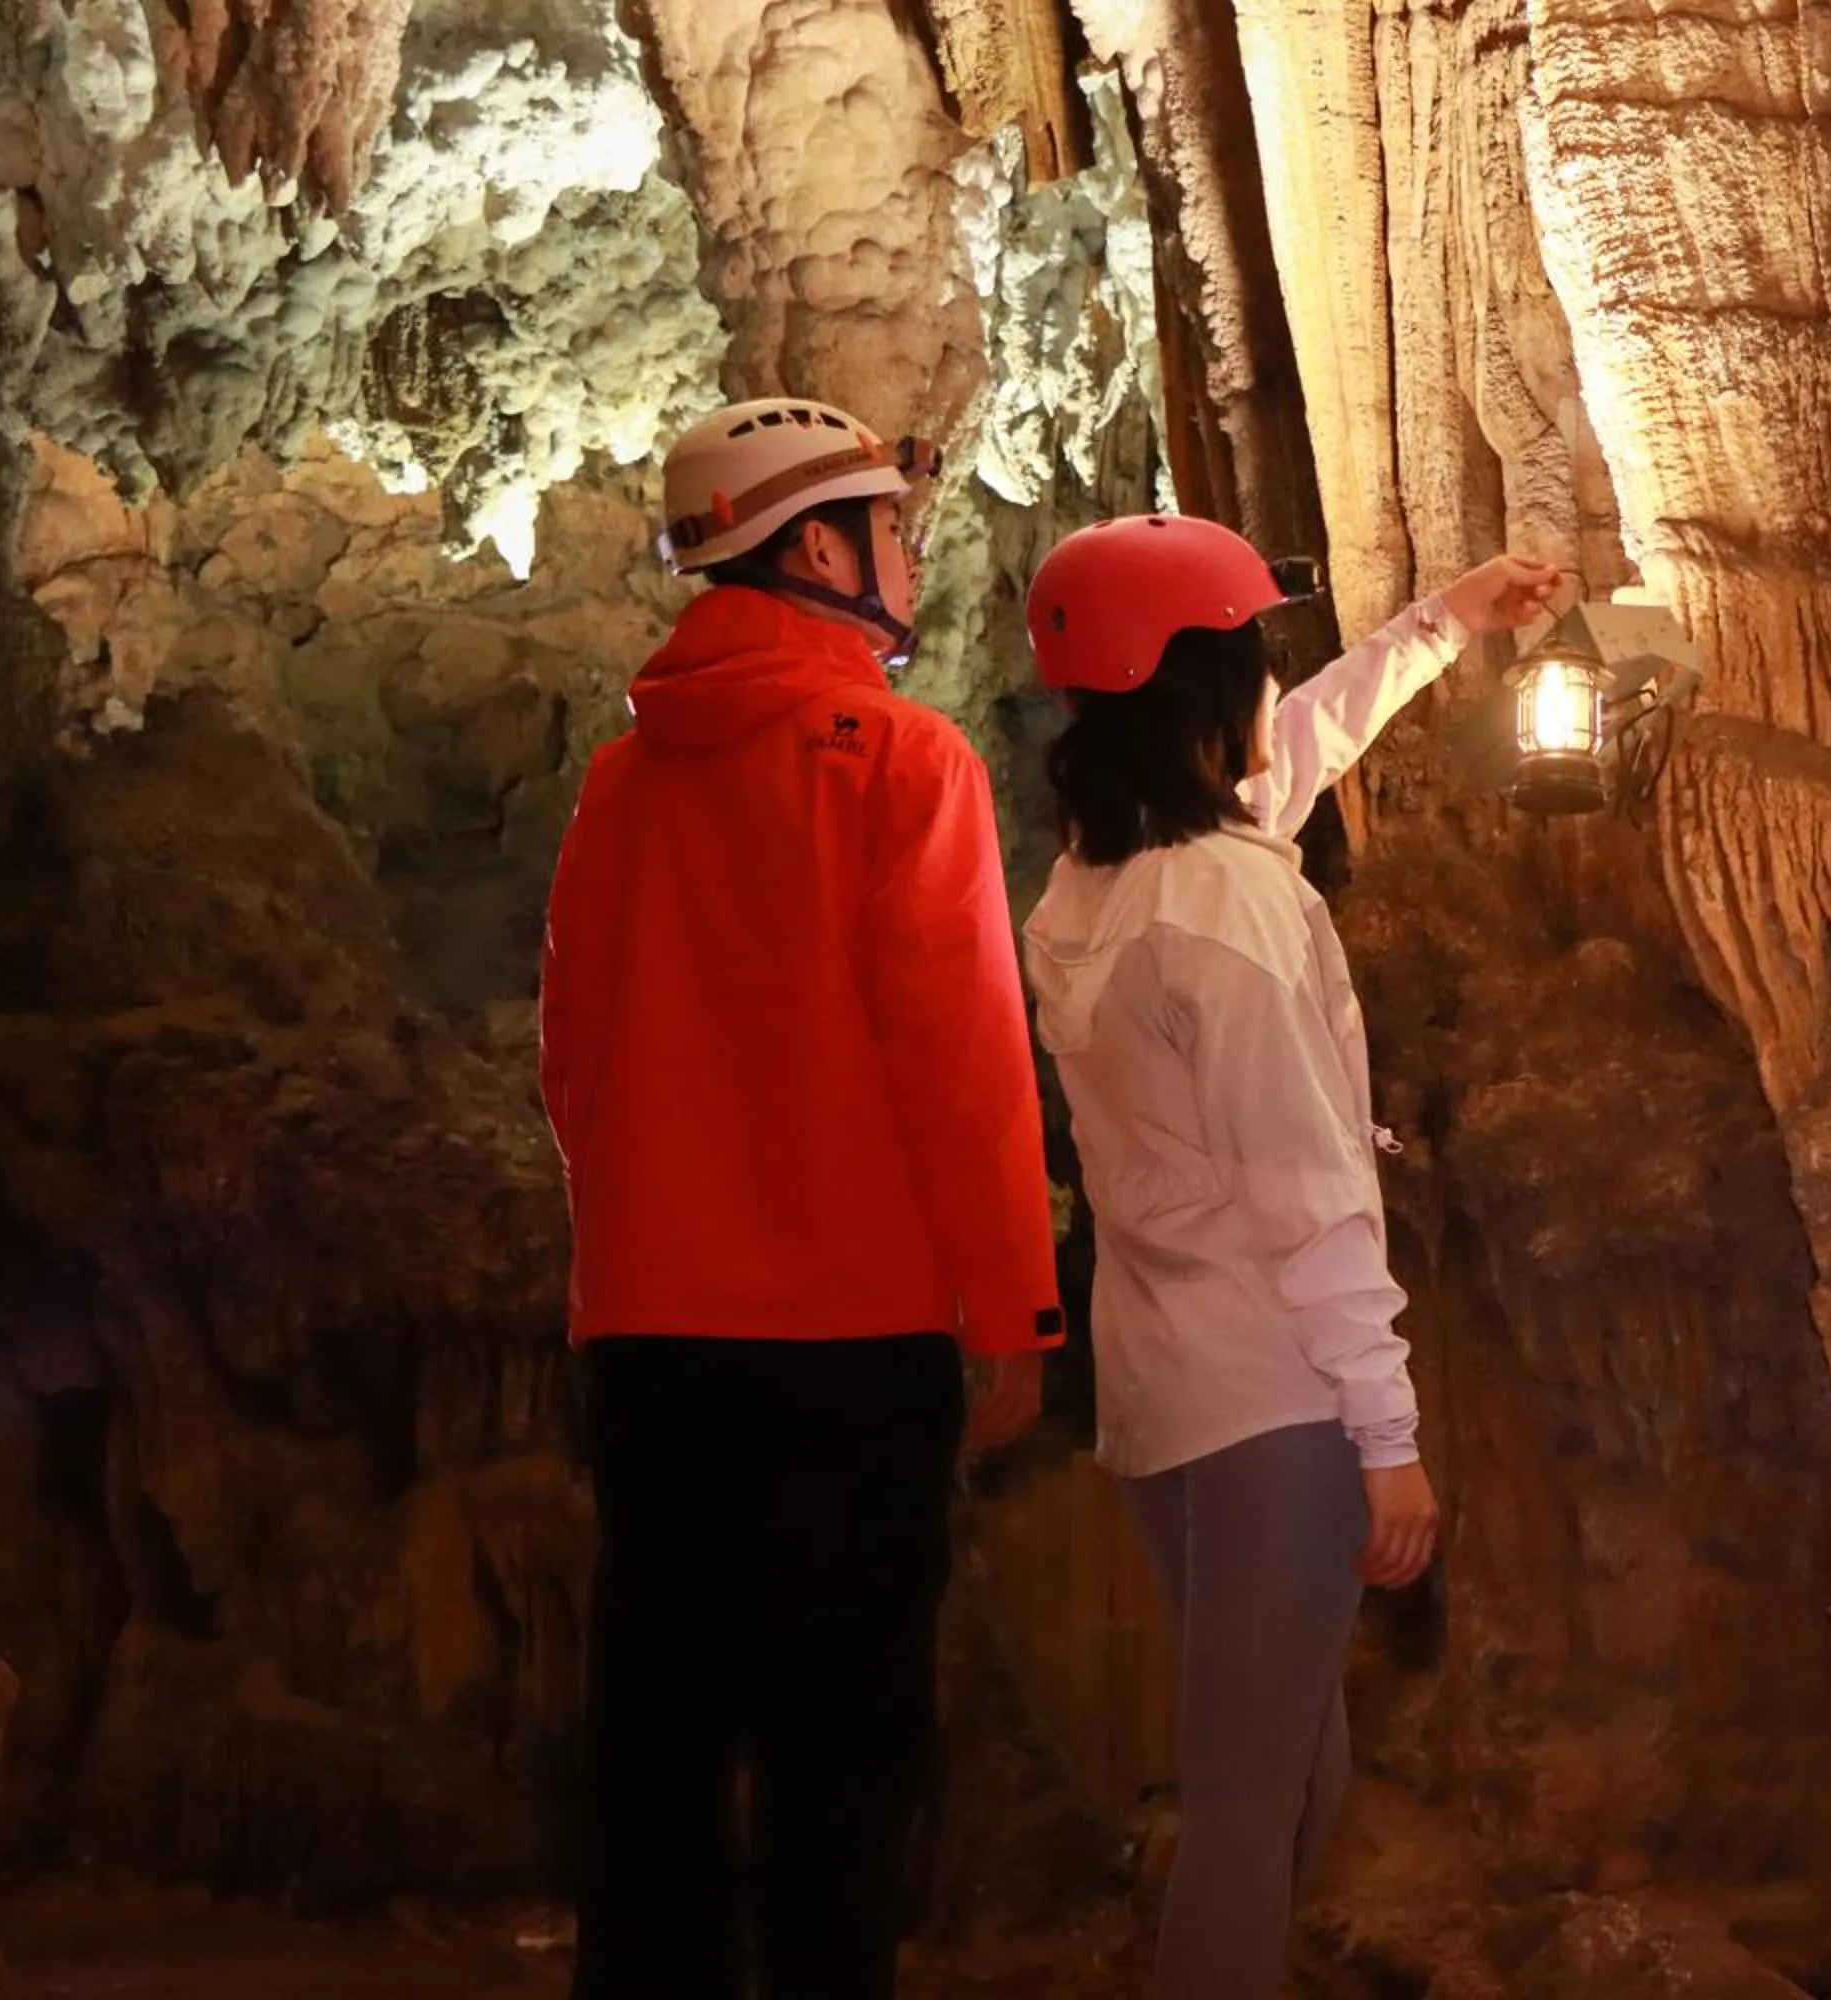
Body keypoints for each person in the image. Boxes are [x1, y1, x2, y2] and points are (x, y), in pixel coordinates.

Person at [539, 394, 1064, 2000]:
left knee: (660, 1753)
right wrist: (1015, 1309)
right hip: (852, 1341)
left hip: (651, 1345)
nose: (910, 559)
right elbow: (963, 1057)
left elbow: (574, 1059)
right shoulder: (899, 759)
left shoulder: (621, 787)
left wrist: (640, 1256)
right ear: (818, 546)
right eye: (891, 530)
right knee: (842, 1761)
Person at [1018, 517, 1563, 1998]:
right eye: (1252, 660)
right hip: (1279, 1399)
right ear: (1205, 699)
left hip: (1164, 1399)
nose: (1273, 688)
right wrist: (1385, 1438)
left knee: (1286, 1781)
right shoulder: (1239, 911)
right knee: (1253, 1810)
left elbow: (1292, 757)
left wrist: (1441, 625)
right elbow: (1313, 1196)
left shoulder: (1090, 886)